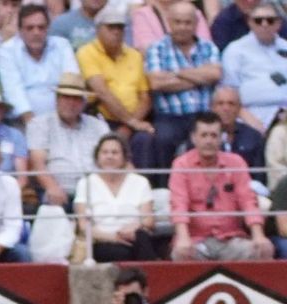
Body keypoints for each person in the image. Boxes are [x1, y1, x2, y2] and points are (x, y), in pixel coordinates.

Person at [169, 109, 274, 258]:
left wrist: (258, 235)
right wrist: (183, 238)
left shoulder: (236, 162)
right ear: (194, 138)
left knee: (262, 250)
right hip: (195, 240)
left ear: (221, 138)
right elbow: (179, 204)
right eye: (204, 135)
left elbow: (248, 200)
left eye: (214, 135)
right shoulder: (181, 164)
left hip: (231, 240)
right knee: (181, 253)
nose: (209, 141)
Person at [145, 1, 223, 168]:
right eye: (178, 22)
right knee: (163, 140)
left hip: (204, 114)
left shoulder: (208, 47)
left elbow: (215, 74)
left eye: (188, 22)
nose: (182, 27)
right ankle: (164, 188)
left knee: (212, 136)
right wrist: (199, 76)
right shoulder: (157, 48)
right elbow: (157, 83)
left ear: (195, 24)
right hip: (170, 117)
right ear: (169, 22)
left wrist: (176, 72)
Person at [78, 4, 156, 167]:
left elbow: (145, 97)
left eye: (120, 27)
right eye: (111, 27)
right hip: (101, 119)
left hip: (134, 119)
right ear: (98, 29)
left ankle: (143, 186)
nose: (116, 32)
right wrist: (131, 123)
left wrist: (129, 125)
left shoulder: (134, 55)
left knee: (146, 138)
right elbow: (102, 92)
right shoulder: (87, 52)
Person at [27, 72, 110, 205]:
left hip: (96, 193)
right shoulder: (40, 124)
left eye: (76, 99)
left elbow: (114, 158)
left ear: (83, 102)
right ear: (57, 99)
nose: (71, 103)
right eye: (66, 97)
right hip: (59, 192)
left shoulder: (98, 126)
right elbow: (38, 164)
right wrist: (51, 187)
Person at [74, 134, 157, 261]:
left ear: (124, 158)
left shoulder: (140, 182)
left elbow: (148, 220)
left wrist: (135, 227)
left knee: (141, 238)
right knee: (121, 253)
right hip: (103, 240)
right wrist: (114, 237)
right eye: (105, 152)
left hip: (134, 235)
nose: (109, 156)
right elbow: (83, 226)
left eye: (115, 152)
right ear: (97, 157)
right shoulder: (85, 183)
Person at [0, 3, 82, 122]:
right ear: (20, 31)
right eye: (30, 28)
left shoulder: (62, 46)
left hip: (63, 119)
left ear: (48, 28)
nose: (36, 32)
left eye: (41, 27)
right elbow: (13, 91)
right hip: (22, 122)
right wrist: (32, 123)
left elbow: (71, 82)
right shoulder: (7, 51)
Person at [221, 1, 287, 130]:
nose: (264, 24)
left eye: (270, 20)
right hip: (252, 114)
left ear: (279, 23)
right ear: (249, 23)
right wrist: (251, 122)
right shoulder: (235, 50)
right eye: (258, 20)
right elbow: (229, 93)